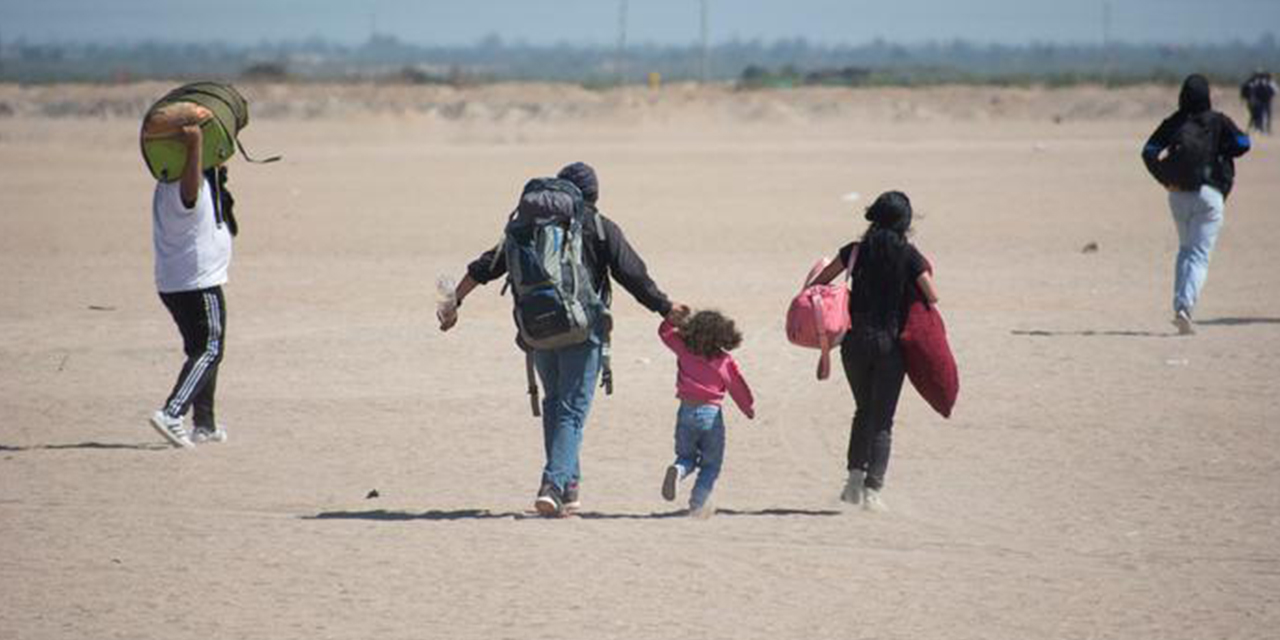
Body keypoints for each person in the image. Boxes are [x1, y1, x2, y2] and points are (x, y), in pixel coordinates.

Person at [439, 161, 687, 516]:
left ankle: (569, 490)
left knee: (556, 405)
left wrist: (453, 304)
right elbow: (633, 274)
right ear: (593, 195)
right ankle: (553, 485)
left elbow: (485, 266)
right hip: (583, 330)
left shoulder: (526, 227)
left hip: (537, 330)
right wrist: (665, 307)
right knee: (571, 412)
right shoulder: (600, 226)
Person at [808, 191, 938, 512]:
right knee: (883, 421)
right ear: (904, 223)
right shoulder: (908, 255)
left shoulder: (855, 252)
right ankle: (872, 491)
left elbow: (819, 284)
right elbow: (932, 295)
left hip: (853, 343)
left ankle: (853, 481)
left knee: (863, 410)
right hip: (889, 345)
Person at [148, 124, 237, 448]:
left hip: (174, 282)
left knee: (200, 348)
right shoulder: (185, 187)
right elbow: (191, 189)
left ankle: (205, 423)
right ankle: (172, 413)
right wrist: (196, 142)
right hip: (198, 282)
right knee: (210, 349)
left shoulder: (163, 182)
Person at [1142, 74, 1251, 335]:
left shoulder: (1174, 123)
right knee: (1199, 255)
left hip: (1177, 193)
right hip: (1210, 195)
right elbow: (1244, 143)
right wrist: (1221, 146)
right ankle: (1185, 307)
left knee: (1185, 250)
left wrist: (1165, 178)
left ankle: (1180, 305)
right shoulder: (1218, 121)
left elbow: (1148, 151)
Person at [657, 310, 755, 518]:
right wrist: (748, 408)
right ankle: (698, 503)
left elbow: (665, 333)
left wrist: (672, 316)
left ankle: (678, 470)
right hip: (710, 413)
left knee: (686, 456)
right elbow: (737, 386)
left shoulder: (684, 350)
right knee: (711, 464)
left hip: (685, 411)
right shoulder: (723, 361)